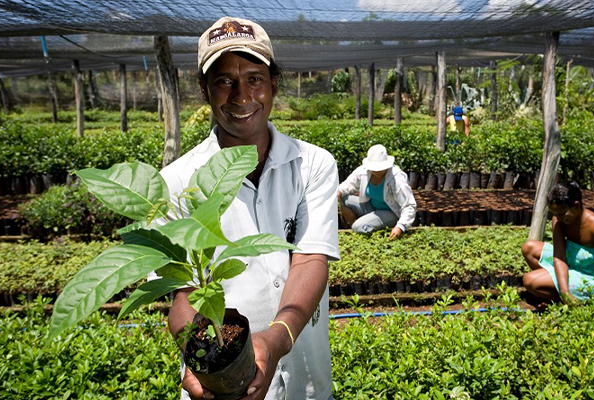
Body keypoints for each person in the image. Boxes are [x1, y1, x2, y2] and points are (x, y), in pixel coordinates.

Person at [159, 17, 339, 400]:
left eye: (254, 79)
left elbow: (311, 258)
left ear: (274, 84)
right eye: (224, 81)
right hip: (224, 385)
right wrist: (199, 359)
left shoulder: (312, 164)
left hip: (304, 377)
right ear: (205, 91)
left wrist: (276, 339)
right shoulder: (176, 183)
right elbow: (183, 293)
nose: (241, 97)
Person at [521, 182, 594, 304]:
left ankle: (574, 301)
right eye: (554, 214)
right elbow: (559, 257)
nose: (558, 218)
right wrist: (564, 291)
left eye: (562, 214)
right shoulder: (559, 220)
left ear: (576, 205)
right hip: (573, 263)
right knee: (529, 248)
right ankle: (564, 295)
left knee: (530, 280)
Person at [337, 144, 417, 239]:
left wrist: (400, 226)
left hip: (391, 212)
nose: (378, 171)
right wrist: (339, 192)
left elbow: (409, 205)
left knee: (358, 226)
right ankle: (358, 228)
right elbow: (348, 184)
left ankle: (361, 228)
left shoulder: (397, 178)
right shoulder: (363, 171)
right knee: (343, 198)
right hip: (371, 206)